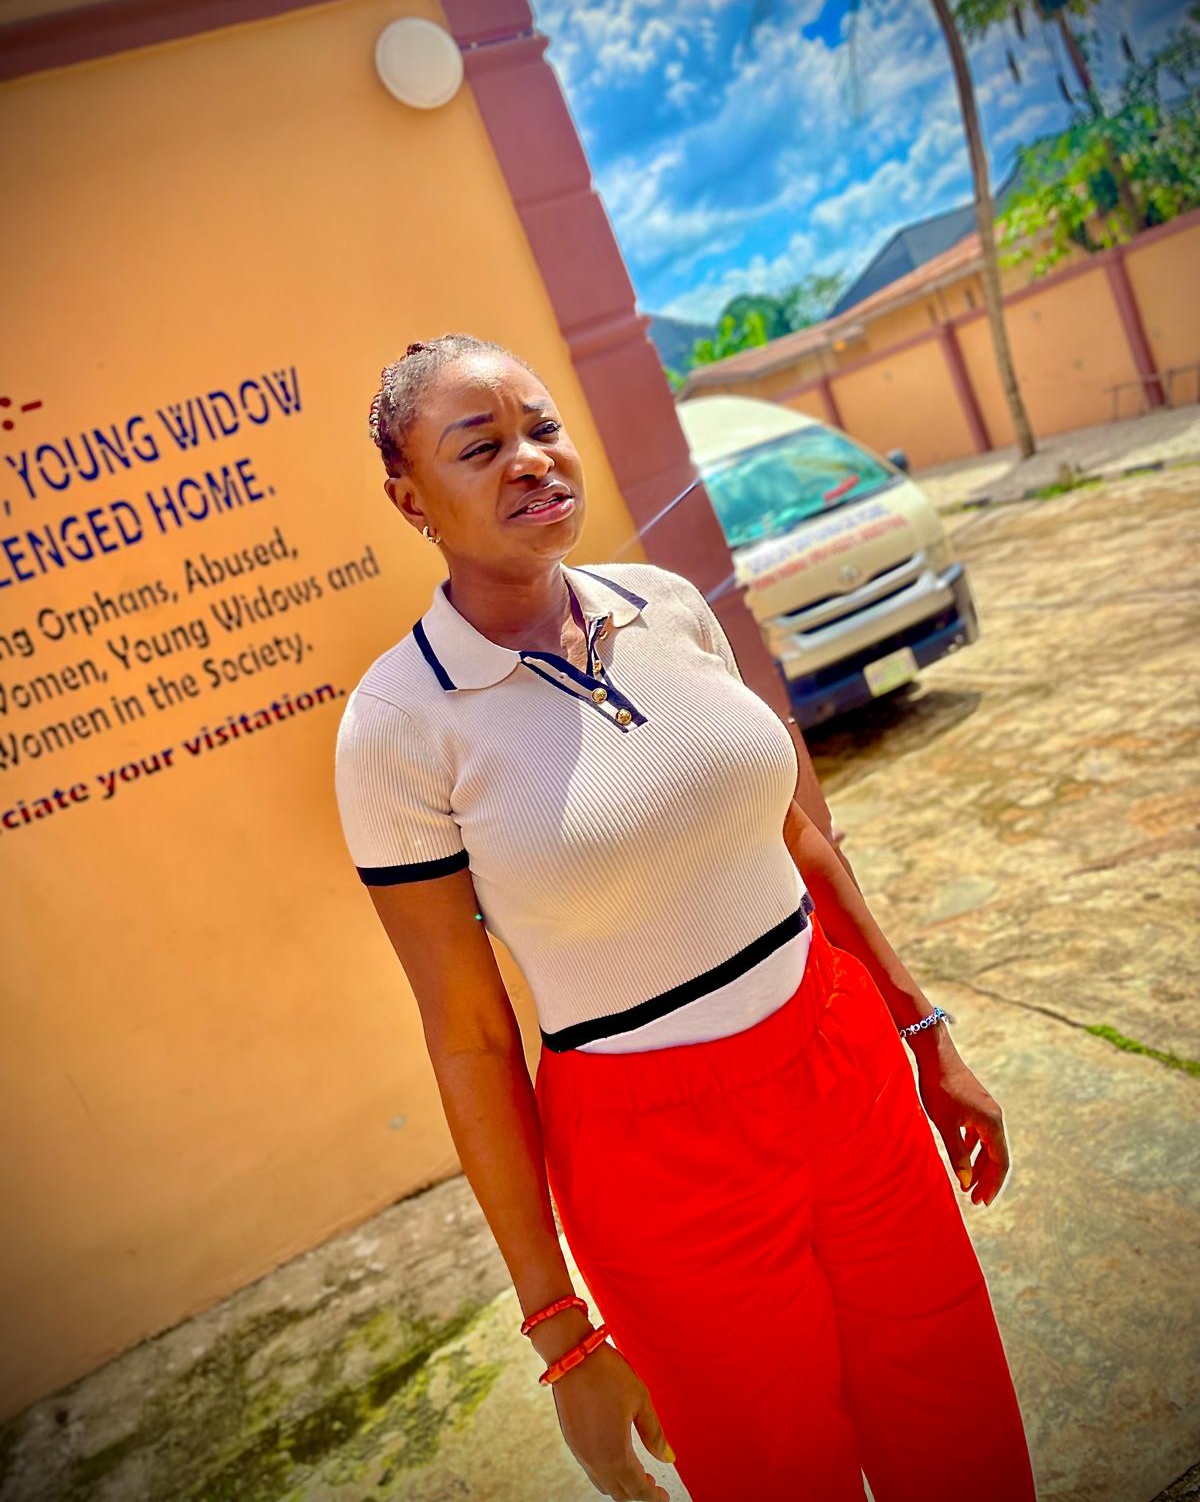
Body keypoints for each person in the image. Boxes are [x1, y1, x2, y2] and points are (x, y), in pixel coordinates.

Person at [333, 333, 1038, 1502]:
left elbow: (796, 838)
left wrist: (924, 1033)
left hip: (842, 1060)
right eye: (481, 446)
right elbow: (468, 1034)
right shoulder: (398, 726)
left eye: (541, 427)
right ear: (412, 501)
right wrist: (563, 1334)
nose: (530, 459)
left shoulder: (665, 605)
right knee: (779, 1473)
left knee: (958, 1427)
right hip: (657, 1157)